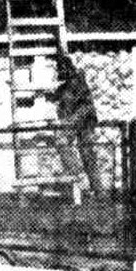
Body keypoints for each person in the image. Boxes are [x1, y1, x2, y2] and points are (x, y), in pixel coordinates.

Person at [49, 47, 103, 197]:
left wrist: (72, 119)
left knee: (87, 154)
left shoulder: (78, 82)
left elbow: (86, 106)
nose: (58, 73)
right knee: (64, 144)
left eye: (60, 69)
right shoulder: (66, 86)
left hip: (85, 123)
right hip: (75, 123)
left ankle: (96, 189)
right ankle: (81, 180)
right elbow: (59, 95)